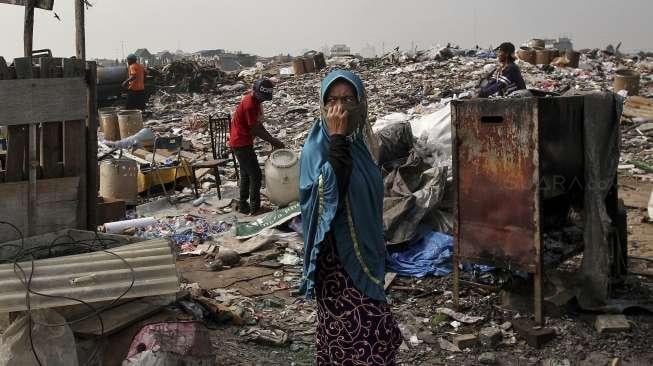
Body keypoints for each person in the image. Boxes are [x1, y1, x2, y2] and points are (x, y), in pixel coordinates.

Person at [299, 70, 402, 365]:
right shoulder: (317, 146)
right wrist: (337, 139)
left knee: (370, 333)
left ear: (361, 102)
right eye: (332, 100)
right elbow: (326, 190)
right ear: (322, 104)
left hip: (366, 255)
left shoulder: (360, 146)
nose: (340, 108)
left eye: (347, 99)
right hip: (337, 259)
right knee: (360, 333)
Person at [229, 78, 285, 215]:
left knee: (246, 175)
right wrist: (273, 141)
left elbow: (258, 126)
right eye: (262, 98)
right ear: (256, 91)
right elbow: (255, 129)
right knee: (256, 175)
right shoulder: (249, 104)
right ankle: (255, 208)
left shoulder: (254, 101)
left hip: (241, 142)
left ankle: (243, 205)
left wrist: (272, 139)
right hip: (241, 143)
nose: (263, 101)